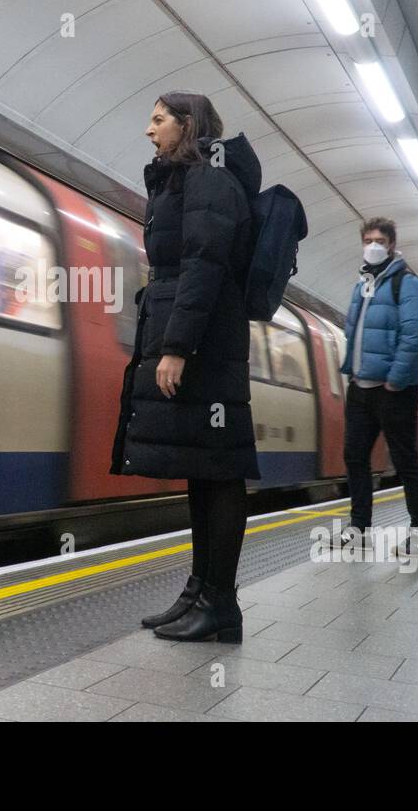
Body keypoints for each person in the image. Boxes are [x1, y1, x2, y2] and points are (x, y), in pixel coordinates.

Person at [110, 91, 261, 643]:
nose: (149, 130)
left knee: (219, 472)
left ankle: (223, 605)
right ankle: (199, 592)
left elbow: (203, 264)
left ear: (187, 124)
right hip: (199, 335)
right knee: (203, 471)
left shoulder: (209, 179)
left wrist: (176, 347)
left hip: (206, 343)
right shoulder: (187, 179)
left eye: (158, 120)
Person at [338, 217, 418, 556]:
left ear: (392, 244)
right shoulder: (360, 285)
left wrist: (396, 379)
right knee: (354, 457)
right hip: (360, 388)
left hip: (394, 390)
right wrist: (352, 372)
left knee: (406, 461)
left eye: (379, 239)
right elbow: (353, 331)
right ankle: (358, 527)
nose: (373, 245)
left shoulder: (407, 283)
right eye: (368, 239)